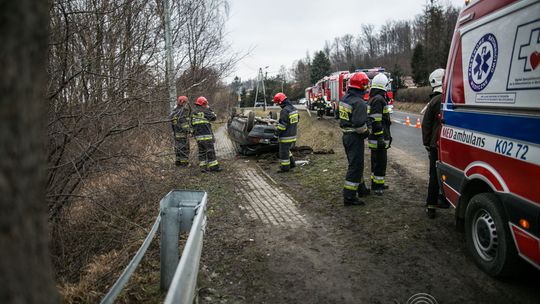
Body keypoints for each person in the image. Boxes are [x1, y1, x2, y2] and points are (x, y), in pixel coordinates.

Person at [339, 72, 370, 206]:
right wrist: (367, 132)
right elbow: (359, 126)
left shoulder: (344, 99)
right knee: (355, 166)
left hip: (346, 136)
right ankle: (349, 196)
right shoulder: (360, 103)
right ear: (362, 85)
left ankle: (361, 188)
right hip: (354, 137)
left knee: (357, 164)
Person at [422, 68, 450, 218]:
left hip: (436, 145)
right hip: (451, 144)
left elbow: (426, 125)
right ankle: (445, 199)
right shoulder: (451, 98)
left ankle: (431, 205)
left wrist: (427, 143)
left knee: (434, 175)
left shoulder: (434, 101)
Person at [367, 73, 392, 195]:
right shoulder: (378, 99)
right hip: (378, 138)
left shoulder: (376, 98)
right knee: (380, 162)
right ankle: (377, 186)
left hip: (376, 137)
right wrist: (381, 136)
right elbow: (377, 120)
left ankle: (377, 183)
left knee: (376, 161)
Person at [191, 96, 222, 172]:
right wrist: (209, 108)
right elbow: (214, 117)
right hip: (206, 137)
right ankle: (214, 168)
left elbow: (191, 124)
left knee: (202, 152)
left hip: (198, 137)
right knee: (210, 151)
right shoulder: (206, 111)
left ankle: (203, 168)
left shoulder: (193, 113)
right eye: (206, 104)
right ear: (204, 104)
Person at [274, 92, 298, 173]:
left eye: (278, 103)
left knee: (283, 152)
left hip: (286, 137)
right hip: (293, 134)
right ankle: (292, 164)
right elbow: (297, 119)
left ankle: (285, 168)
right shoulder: (293, 109)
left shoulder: (284, 111)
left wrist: (276, 133)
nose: (278, 105)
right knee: (287, 150)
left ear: (281, 102)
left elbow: (282, 126)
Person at [169, 95, 191, 167]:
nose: (186, 104)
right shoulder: (182, 112)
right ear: (182, 102)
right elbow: (185, 125)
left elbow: (171, 122)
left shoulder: (174, 111)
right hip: (182, 133)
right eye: (185, 102)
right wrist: (190, 131)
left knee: (178, 148)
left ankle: (178, 162)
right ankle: (184, 163)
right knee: (184, 148)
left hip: (176, 133)